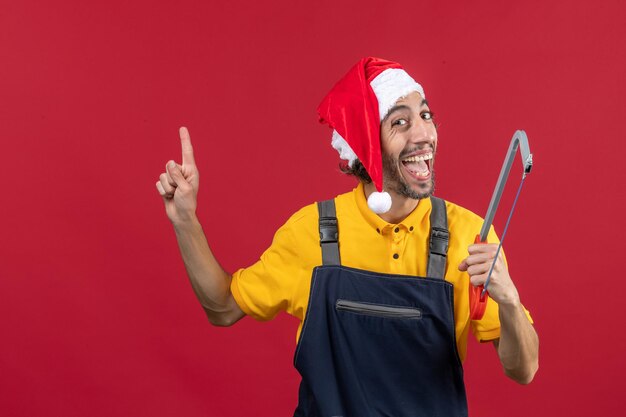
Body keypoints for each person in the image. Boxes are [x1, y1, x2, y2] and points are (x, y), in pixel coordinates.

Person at [155, 57, 539, 416]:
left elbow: (524, 370)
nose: (424, 134)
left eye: (426, 115)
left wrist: (509, 302)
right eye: (400, 122)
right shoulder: (313, 232)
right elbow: (222, 308)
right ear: (366, 147)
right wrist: (185, 221)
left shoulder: (470, 235)